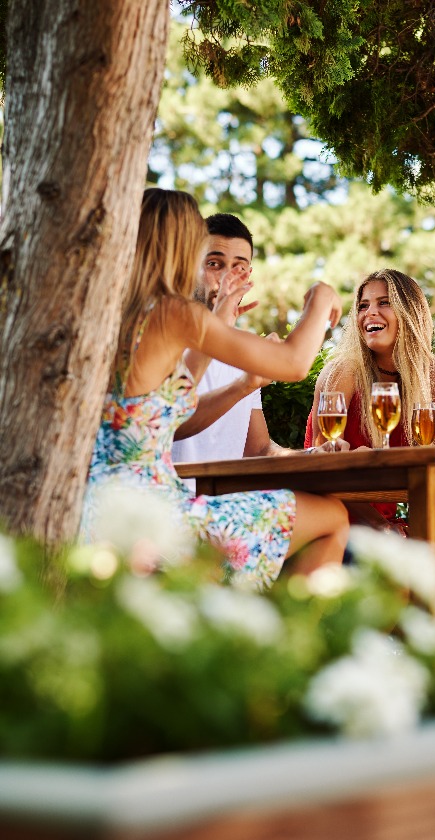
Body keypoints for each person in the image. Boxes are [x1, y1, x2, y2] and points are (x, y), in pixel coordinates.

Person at [81, 188, 349, 588]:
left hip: (99, 511)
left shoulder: (116, 313)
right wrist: (321, 299)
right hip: (154, 519)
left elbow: (174, 405)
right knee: (332, 517)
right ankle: (286, 643)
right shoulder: (176, 313)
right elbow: (294, 363)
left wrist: (221, 317)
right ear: (183, 246)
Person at [306, 268, 435, 593]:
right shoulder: (344, 370)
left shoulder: (428, 373)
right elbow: (322, 470)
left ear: (409, 313)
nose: (370, 313)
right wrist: (381, 526)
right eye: (363, 305)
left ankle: (433, 642)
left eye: (384, 303)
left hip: (394, 524)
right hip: (341, 523)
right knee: (399, 565)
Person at [172, 213, 343, 466]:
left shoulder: (244, 351)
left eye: (238, 268)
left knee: (333, 503)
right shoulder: (169, 331)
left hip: (225, 498)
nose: (226, 279)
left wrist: (310, 455)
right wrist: (322, 294)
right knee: (331, 508)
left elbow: (260, 448)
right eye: (214, 265)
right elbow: (170, 422)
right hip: (172, 498)